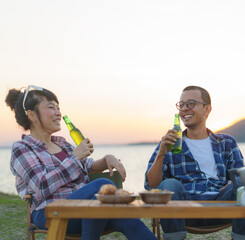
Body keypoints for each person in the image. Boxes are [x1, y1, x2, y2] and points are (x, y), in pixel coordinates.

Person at [5, 85, 157, 240]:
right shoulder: (22, 148)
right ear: (31, 115)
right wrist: (75, 158)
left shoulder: (63, 144)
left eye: (58, 107)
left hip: (85, 207)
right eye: (51, 107)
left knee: (128, 217)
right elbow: (42, 186)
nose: (58, 113)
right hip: (49, 212)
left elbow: (86, 165)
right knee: (101, 185)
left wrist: (106, 160)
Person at [144, 85, 245, 240]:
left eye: (191, 103)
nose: (184, 109)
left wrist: (231, 185)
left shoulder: (226, 142)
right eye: (181, 105)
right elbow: (152, 186)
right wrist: (161, 153)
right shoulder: (170, 143)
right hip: (184, 208)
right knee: (170, 185)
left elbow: (239, 177)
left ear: (207, 109)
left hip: (221, 205)